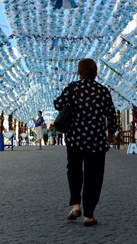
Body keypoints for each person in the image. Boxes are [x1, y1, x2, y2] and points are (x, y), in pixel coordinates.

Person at [54, 58, 117, 227]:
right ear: (96, 72)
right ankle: (89, 215)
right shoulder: (103, 90)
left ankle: (76, 206)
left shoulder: (73, 88)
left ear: (79, 72)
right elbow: (111, 114)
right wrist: (111, 132)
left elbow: (57, 104)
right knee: (94, 175)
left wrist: (72, 104)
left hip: (75, 138)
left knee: (74, 170)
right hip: (96, 139)